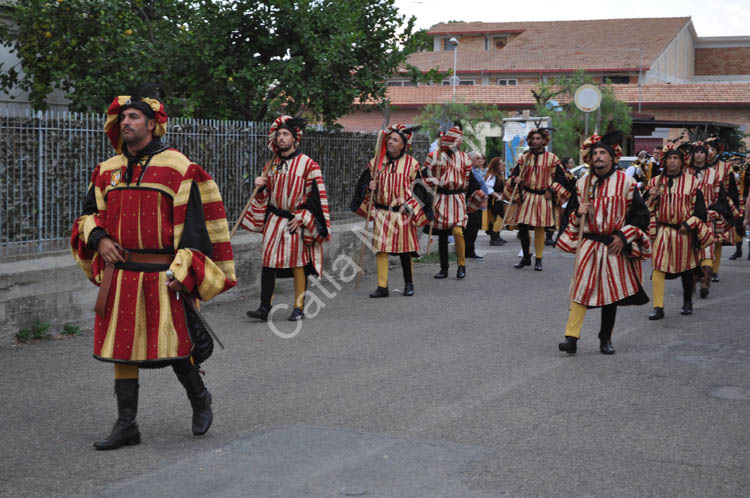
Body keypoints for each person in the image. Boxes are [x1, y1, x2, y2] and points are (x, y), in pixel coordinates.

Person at [70, 85, 237, 450]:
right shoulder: (106, 171)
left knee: (177, 348)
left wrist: (185, 271)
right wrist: (98, 237)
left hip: (164, 275)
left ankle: (200, 399)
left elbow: (195, 228)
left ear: (152, 123)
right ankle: (126, 424)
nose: (125, 122)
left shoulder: (178, 168)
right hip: (120, 275)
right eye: (122, 117)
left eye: (133, 117)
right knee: (120, 348)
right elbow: (87, 215)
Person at [556, 131, 651, 355]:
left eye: (602, 153)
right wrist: (578, 214)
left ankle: (605, 338)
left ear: (612, 157)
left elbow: (640, 216)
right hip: (588, 243)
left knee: (610, 293)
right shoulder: (581, 184)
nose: (598, 156)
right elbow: (569, 217)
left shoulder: (626, 183)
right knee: (580, 290)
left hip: (613, 243)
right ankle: (571, 338)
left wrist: (622, 236)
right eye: (594, 153)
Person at [241, 116, 331, 321]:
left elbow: (316, 198)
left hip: (295, 220)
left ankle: (298, 307)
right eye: (279, 134)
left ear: (295, 138)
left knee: (298, 263)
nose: (281, 138)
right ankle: (264, 308)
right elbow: (265, 196)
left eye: (285, 134)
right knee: (268, 262)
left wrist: (303, 216)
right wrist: (261, 186)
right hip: (274, 219)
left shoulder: (309, 165)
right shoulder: (271, 164)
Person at [350, 124, 432, 298]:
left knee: (405, 250)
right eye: (389, 139)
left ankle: (409, 284)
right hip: (381, 212)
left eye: (395, 140)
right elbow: (362, 185)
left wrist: (409, 207)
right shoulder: (376, 163)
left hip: (402, 213)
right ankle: (382, 286)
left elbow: (419, 190)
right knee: (381, 249)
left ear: (403, 144)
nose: (390, 142)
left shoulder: (412, 164)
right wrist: (368, 186)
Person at [644, 147, 712, 320]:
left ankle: (687, 302)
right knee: (658, 266)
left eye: (676, 158)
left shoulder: (692, 182)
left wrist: (688, 225)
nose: (672, 161)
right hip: (663, 230)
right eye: (669, 158)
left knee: (687, 268)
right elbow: (644, 209)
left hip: (684, 231)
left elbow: (700, 210)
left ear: (682, 162)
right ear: (664, 161)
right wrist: (649, 196)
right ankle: (658, 307)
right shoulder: (654, 182)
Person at [503, 128, 568, 271]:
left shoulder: (552, 158)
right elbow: (513, 175)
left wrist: (551, 190)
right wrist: (515, 179)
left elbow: (561, 179)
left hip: (543, 196)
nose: (536, 141)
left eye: (539, 138)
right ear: (530, 140)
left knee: (540, 227)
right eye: (534, 138)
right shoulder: (525, 158)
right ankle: (526, 257)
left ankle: (538, 259)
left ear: (544, 141)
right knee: (523, 226)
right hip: (527, 196)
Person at [423, 124, 472, 279]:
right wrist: (433, 180)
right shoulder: (434, 156)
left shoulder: (465, 158)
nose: (459, 142)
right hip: (441, 198)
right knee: (443, 236)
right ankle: (443, 268)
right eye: (457, 139)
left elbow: (466, 180)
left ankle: (461, 265)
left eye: (460, 140)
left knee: (458, 232)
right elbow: (424, 177)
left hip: (457, 198)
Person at [686, 142, 730, 297]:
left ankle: (705, 281)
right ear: (692, 155)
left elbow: (721, 197)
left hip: (707, 217)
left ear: (706, 155)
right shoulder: (685, 172)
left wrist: (716, 210)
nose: (699, 155)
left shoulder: (714, 174)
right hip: (689, 217)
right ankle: (690, 282)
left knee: (707, 249)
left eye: (702, 152)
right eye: (696, 152)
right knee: (690, 251)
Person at [705, 138, 741, 281]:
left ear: (717, 152)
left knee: (717, 239)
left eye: (712, 150)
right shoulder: (698, 166)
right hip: (702, 205)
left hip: (721, 205)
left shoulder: (725, 167)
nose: (709, 153)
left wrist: (735, 208)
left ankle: (714, 270)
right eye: (707, 149)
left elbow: (732, 187)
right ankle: (701, 267)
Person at [464, 151, 492, 259]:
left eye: (480, 158)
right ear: (470, 160)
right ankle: (468, 251)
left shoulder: (477, 171)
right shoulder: (469, 172)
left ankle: (470, 250)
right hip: (472, 203)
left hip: (479, 203)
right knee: (471, 228)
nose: (480, 161)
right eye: (477, 158)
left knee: (475, 228)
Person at [484, 157, 507, 246]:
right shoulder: (492, 176)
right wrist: (498, 196)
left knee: (499, 218)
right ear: (496, 166)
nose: (503, 165)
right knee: (500, 218)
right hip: (494, 200)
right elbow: (488, 188)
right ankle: (494, 237)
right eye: (501, 164)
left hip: (498, 200)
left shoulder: (499, 175)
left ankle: (497, 236)